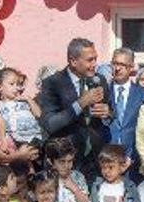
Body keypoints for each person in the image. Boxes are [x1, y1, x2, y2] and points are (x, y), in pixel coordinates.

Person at [38, 38, 111, 179]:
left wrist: (107, 113)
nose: (94, 64)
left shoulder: (99, 80)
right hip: (65, 160)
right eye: (90, 60)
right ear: (73, 61)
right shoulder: (52, 83)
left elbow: (110, 112)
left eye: (95, 59)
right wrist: (81, 103)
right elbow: (50, 124)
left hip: (95, 159)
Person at [106, 49, 144, 175]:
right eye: (115, 64)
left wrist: (132, 158)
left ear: (131, 67)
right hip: (106, 164)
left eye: (122, 65)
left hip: (134, 164)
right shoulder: (102, 93)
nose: (117, 68)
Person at [0, 67, 44, 152]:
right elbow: (1, 124)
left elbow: (38, 114)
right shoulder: (0, 106)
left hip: (37, 137)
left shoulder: (23, 101)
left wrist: (29, 99)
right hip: (19, 140)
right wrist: (3, 141)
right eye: (11, 84)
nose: (16, 88)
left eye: (17, 84)